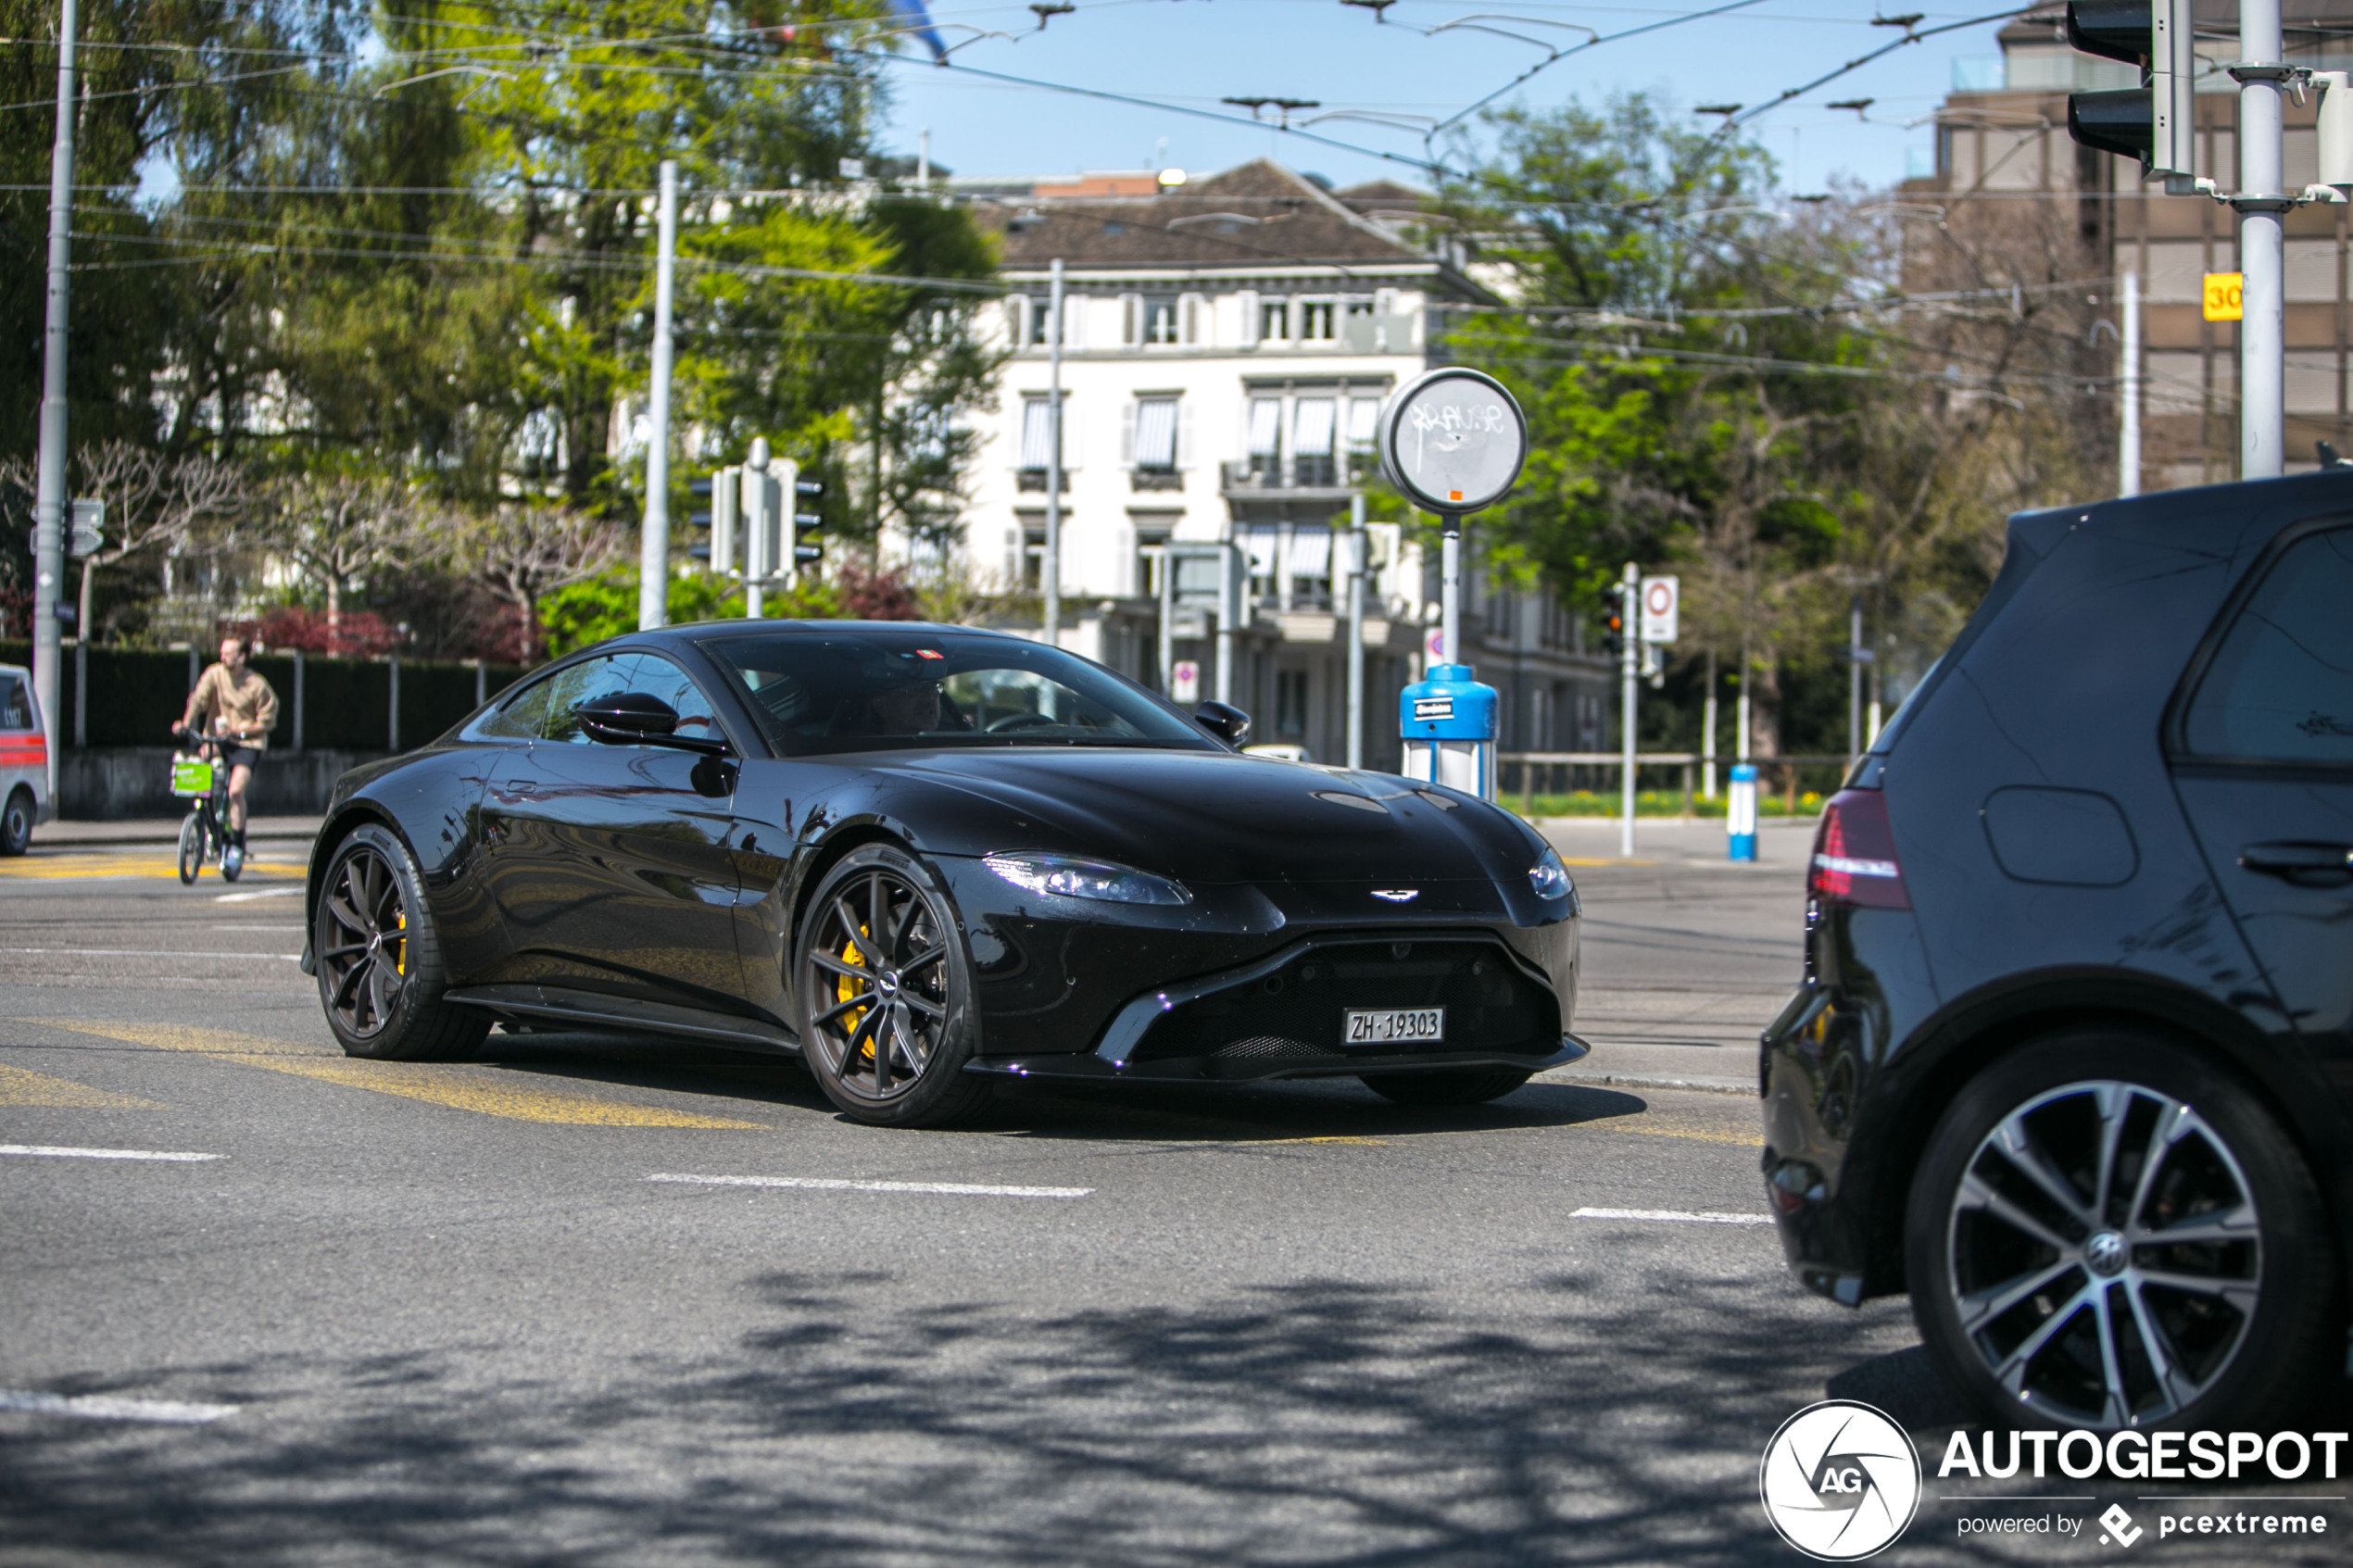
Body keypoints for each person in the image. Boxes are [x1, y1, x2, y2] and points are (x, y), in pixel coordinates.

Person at [174, 635, 278, 872]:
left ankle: (236, 846)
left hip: (246, 745)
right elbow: (198, 700)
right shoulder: (215, 674)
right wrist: (185, 723)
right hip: (217, 740)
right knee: (201, 766)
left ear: (241, 657)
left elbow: (267, 721)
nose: (222, 657)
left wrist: (242, 732)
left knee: (236, 791)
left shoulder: (256, 685)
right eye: (222, 652)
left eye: (228, 653)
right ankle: (204, 821)